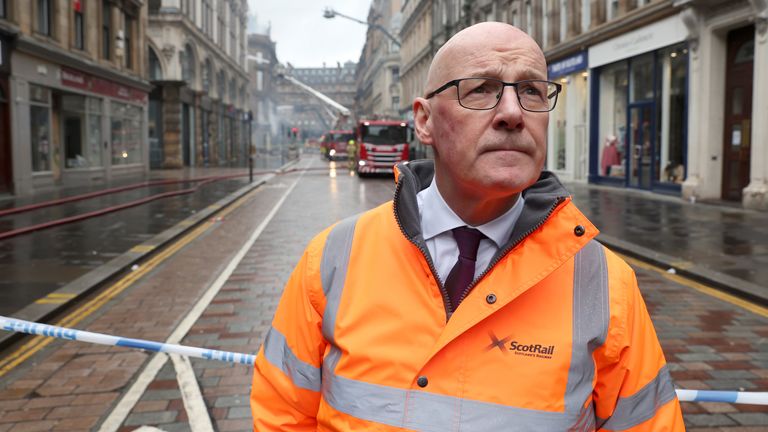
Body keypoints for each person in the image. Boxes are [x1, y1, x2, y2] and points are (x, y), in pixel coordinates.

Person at [250, 22, 684, 431]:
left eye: (532, 91)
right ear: (424, 121)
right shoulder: (331, 258)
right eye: (481, 90)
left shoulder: (607, 283)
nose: (513, 113)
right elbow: (281, 412)